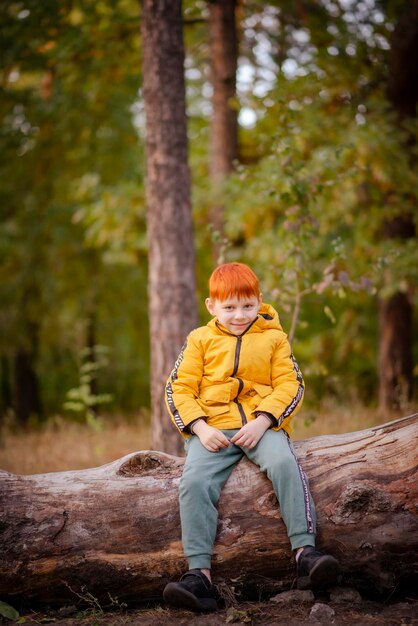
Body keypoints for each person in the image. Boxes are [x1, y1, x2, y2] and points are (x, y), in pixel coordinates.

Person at [163, 262, 339, 612]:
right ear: (212, 306)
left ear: (259, 301)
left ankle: (305, 552)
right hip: (212, 429)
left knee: (284, 463)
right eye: (229, 308)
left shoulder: (275, 338)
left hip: (262, 425)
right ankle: (199, 577)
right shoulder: (200, 339)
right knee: (194, 482)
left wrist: (264, 420)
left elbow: (292, 384)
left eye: (247, 306)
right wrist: (199, 427)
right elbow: (177, 387)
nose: (239, 315)